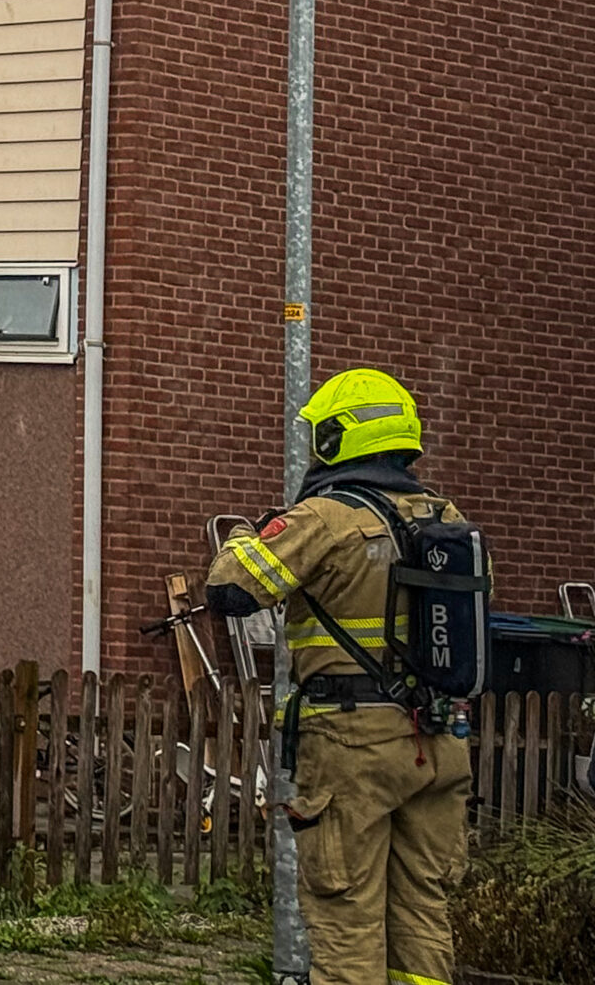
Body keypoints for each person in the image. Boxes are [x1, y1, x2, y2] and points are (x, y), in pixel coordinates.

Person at [203, 369, 476, 985]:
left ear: (336, 438)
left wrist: (247, 533)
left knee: (346, 915)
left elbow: (230, 590)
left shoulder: (326, 518)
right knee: (424, 916)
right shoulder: (446, 518)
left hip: (353, 746)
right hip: (440, 739)